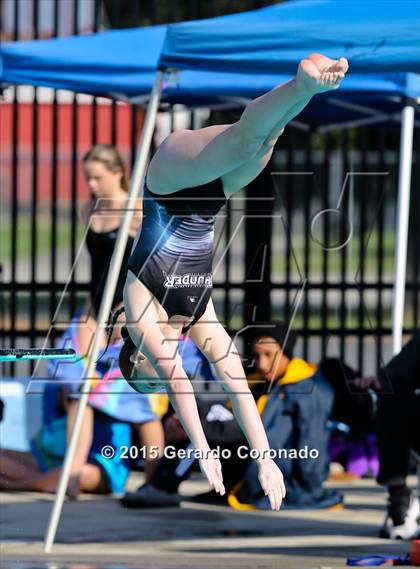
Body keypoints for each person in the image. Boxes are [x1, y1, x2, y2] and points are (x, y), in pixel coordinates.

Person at [118, 54, 349, 511]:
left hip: (169, 180)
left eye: (150, 378)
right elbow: (235, 385)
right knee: (266, 141)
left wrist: (202, 449)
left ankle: (302, 79)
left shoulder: (139, 308)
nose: (163, 376)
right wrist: (265, 460)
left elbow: (180, 381)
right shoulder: (196, 315)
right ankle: (305, 87)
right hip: (209, 196)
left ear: (137, 358)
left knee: (245, 142)